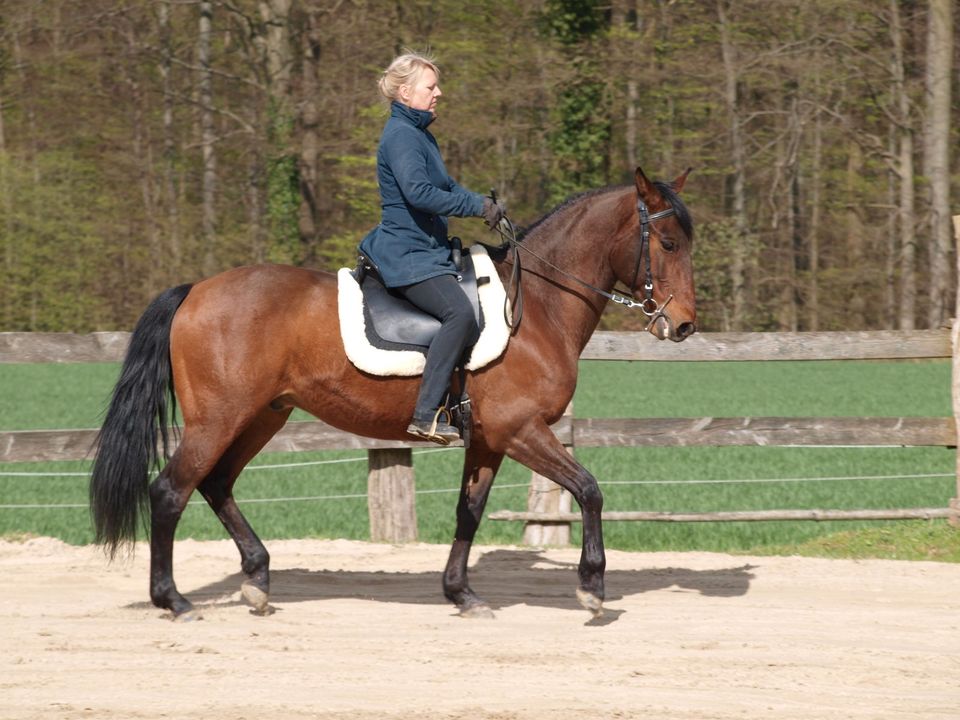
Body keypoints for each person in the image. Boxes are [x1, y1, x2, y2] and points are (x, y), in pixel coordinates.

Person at [359, 51, 504, 444]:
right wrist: (475, 206)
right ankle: (425, 414)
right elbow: (420, 194)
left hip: (425, 249)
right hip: (406, 254)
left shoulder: (420, 133)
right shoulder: (403, 136)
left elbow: (447, 188)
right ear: (406, 92)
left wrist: (486, 206)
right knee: (459, 313)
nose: (438, 93)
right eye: (431, 86)